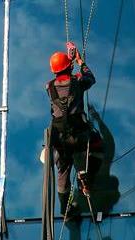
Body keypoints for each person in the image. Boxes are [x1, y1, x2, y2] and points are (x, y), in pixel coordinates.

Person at [46, 42, 101, 215]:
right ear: (68, 67)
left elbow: (61, 81)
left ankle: (65, 208)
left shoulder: (49, 87)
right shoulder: (77, 81)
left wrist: (67, 63)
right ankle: (85, 174)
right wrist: (78, 60)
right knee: (96, 144)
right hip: (79, 135)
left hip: (60, 139)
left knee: (62, 171)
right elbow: (90, 77)